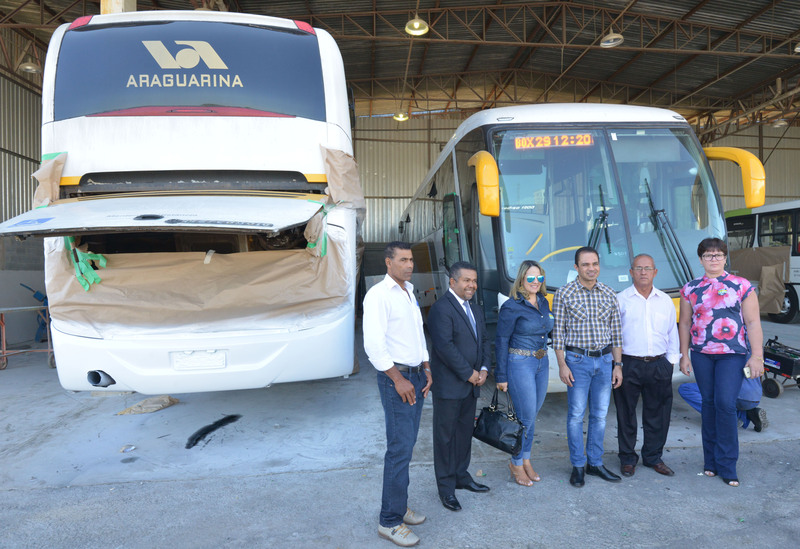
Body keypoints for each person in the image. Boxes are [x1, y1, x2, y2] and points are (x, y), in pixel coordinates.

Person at [678, 237, 765, 487]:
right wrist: (684, 354)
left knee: (725, 404)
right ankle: (711, 461)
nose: (713, 259)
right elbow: (685, 323)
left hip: (732, 354)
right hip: (701, 354)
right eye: (708, 255)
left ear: (725, 258)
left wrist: (756, 355)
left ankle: (727, 465)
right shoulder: (690, 288)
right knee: (708, 405)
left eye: (718, 255)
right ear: (701, 259)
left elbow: (753, 323)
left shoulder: (741, 285)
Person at [363, 241, 433, 547]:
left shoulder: (409, 292)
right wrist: (398, 379)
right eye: (403, 260)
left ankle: (399, 506)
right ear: (388, 263)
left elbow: (418, 336)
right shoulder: (379, 295)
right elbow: (373, 345)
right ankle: (389, 521)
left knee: (407, 446)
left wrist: (426, 367)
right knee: (399, 449)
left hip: (416, 376)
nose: (409, 265)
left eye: (411, 260)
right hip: (398, 380)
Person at [552, 246, 623, 488]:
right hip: (577, 362)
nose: (591, 268)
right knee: (575, 415)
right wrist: (562, 365)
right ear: (576, 267)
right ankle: (578, 465)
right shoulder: (564, 294)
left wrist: (618, 365)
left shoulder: (609, 293)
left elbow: (616, 334)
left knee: (600, 415)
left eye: (595, 264)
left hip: (604, 361)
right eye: (585, 264)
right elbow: (558, 335)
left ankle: (595, 463)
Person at [426, 261, 491, 512]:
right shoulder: (441, 309)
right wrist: (469, 374)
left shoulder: (475, 308)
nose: (472, 285)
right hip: (450, 387)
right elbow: (445, 348)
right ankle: (446, 488)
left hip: (471, 385)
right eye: (466, 280)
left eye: (474, 281)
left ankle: (461, 476)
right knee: (445, 438)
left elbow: (484, 340)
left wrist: (484, 369)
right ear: (452, 282)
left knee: (464, 434)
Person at [614, 254, 680, 478]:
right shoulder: (620, 299)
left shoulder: (665, 300)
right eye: (638, 268)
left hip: (658, 364)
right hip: (628, 364)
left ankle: (653, 457)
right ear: (631, 272)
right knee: (626, 414)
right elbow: (614, 335)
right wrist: (617, 364)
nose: (643, 272)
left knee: (658, 413)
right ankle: (627, 459)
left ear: (655, 272)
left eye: (648, 268)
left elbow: (672, 332)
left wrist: (671, 362)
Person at [495, 260, 554, 487]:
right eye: (530, 277)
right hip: (520, 363)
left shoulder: (543, 301)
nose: (535, 281)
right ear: (521, 279)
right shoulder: (511, 306)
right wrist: (501, 375)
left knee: (531, 416)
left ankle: (526, 459)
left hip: (542, 362)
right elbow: (501, 340)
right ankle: (516, 463)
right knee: (526, 417)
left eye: (539, 277)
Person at [678, 379, 768, 431]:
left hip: (736, 395)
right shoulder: (756, 354)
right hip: (755, 397)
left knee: (685, 389)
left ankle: (728, 417)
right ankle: (749, 413)